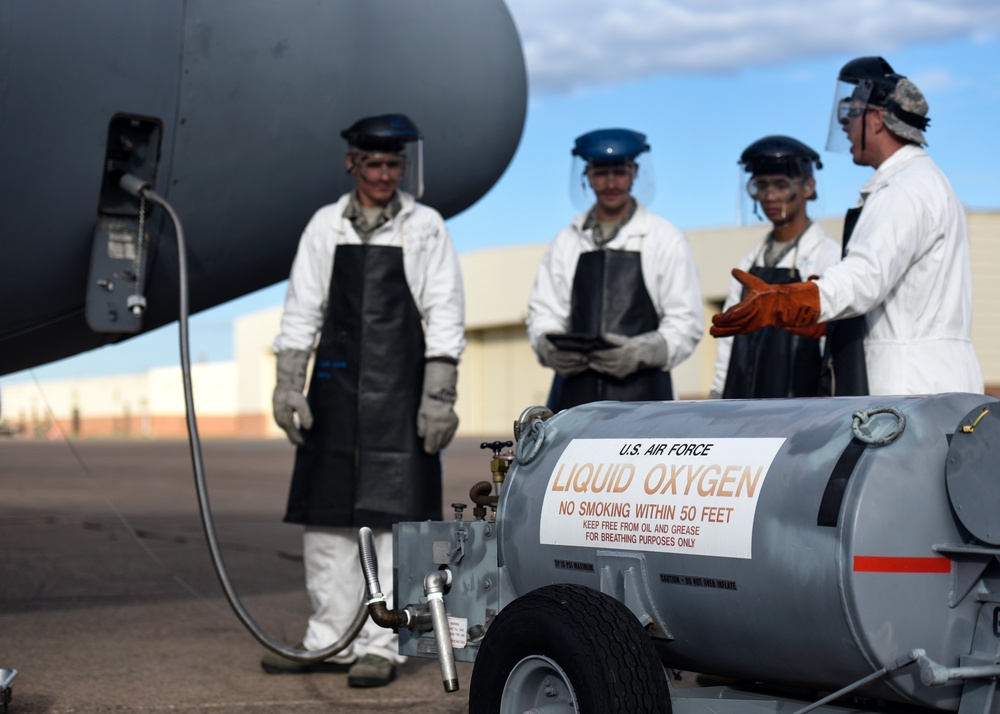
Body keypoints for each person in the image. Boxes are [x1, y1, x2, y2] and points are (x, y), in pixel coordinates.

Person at [263, 114, 465, 686]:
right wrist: (288, 383)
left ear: (404, 167)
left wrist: (439, 397)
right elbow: (302, 308)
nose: (383, 174)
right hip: (333, 391)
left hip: (401, 398)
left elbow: (444, 311)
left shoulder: (425, 226)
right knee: (326, 524)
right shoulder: (325, 226)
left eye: (392, 164)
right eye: (372, 163)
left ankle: (381, 644)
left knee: (390, 526)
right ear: (352, 164)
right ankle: (327, 639)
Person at [711, 57, 983, 396]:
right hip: (928, 383)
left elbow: (865, 278)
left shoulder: (903, 190)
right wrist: (818, 323)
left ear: (877, 119)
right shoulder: (921, 182)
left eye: (850, 113)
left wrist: (784, 302)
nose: (844, 126)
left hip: (910, 386)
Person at [526, 128, 704, 411]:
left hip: (645, 403)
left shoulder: (664, 238)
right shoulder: (566, 241)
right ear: (587, 176)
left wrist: (644, 352)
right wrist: (548, 346)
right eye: (600, 172)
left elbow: (686, 321)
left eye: (619, 172)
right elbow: (544, 313)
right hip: (573, 402)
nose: (610, 183)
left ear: (634, 172)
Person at [710, 136, 841, 398]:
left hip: (802, 407)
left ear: (808, 187)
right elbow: (728, 345)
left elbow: (834, 351)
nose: (769, 195)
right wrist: (717, 395)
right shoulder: (748, 262)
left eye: (780, 185)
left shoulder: (828, 257)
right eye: (760, 185)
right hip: (742, 405)